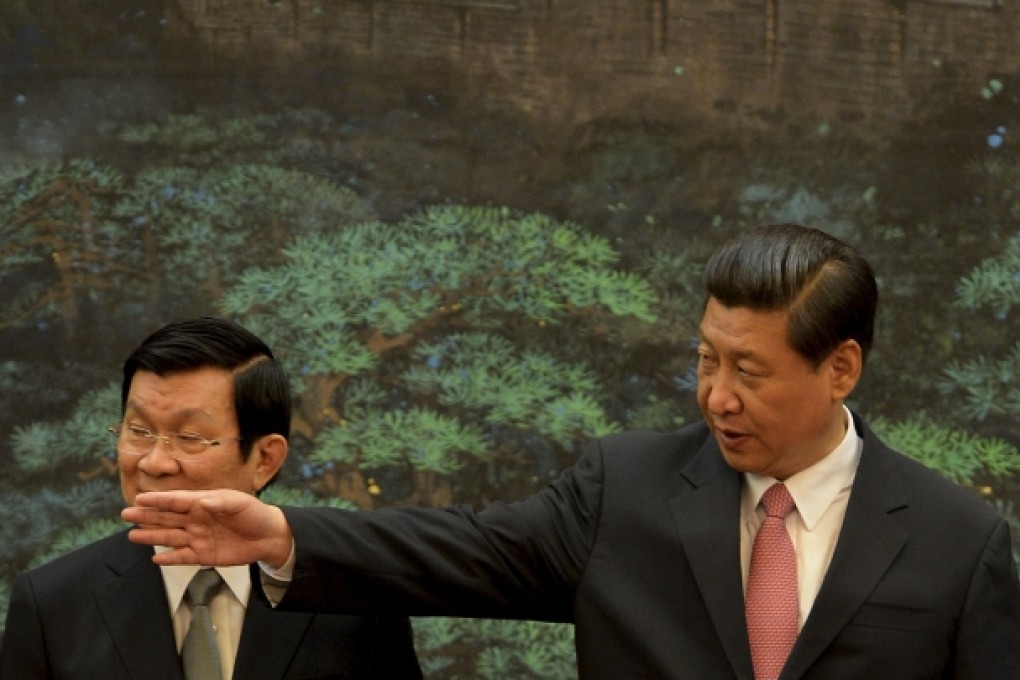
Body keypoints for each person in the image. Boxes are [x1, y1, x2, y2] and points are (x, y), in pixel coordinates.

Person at [121, 226, 1020, 679]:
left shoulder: (955, 538)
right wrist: (277, 534)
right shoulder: (624, 491)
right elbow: (460, 551)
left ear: (841, 368)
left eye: (749, 371)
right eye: (706, 359)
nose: (715, 395)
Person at [0, 317, 422, 680]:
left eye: (189, 437)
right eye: (139, 431)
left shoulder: (354, 601)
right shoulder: (53, 604)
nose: (155, 461)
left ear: (264, 459)